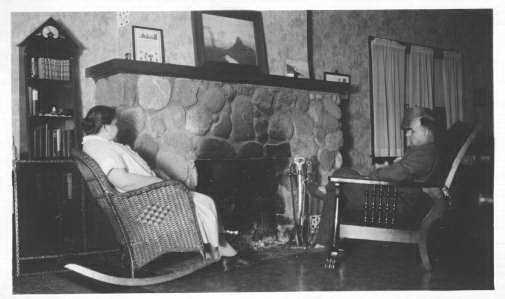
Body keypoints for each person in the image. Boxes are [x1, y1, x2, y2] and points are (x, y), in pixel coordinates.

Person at [81, 105, 247, 270]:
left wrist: (158, 177)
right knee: (203, 202)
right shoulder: (102, 148)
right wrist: (159, 183)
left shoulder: (97, 144)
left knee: (203, 202)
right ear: (105, 127)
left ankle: (217, 249)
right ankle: (221, 251)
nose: (118, 127)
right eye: (116, 123)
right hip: (146, 206)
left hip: (144, 199)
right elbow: (122, 181)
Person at [315, 107, 441, 247]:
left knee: (341, 176)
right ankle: (322, 240)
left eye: (412, 131)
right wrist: (390, 167)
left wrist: (375, 174)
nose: (407, 135)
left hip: (394, 202)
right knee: (341, 181)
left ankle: (323, 238)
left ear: (426, 131)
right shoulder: (422, 151)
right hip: (392, 196)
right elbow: (401, 170)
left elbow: (398, 172)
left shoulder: (425, 153)